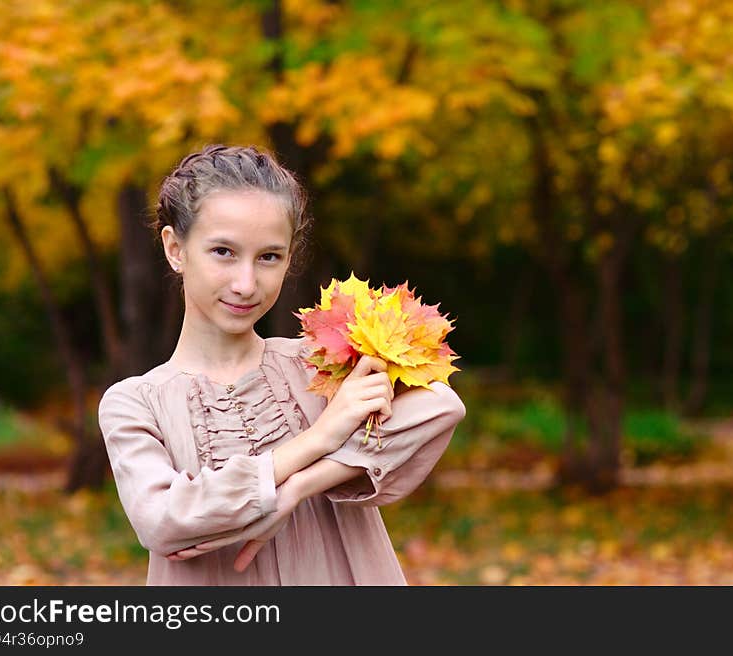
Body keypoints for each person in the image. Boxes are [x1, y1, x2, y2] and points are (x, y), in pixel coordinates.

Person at [97, 144, 466, 585]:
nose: (246, 283)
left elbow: (441, 404)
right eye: (223, 252)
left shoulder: (319, 364)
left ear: (290, 257)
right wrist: (320, 438)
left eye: (268, 256)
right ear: (176, 249)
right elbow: (163, 520)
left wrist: (296, 490)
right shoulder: (134, 403)